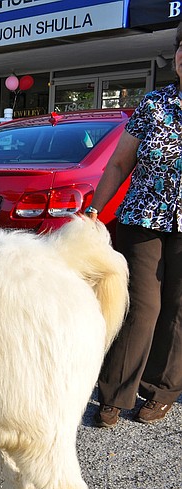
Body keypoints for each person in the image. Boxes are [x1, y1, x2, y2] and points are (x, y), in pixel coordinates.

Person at [89, 22, 182, 428]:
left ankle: (161, 390)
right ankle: (113, 392)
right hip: (143, 218)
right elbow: (120, 162)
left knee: (179, 311)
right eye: (181, 48)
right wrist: (94, 210)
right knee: (141, 306)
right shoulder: (154, 104)